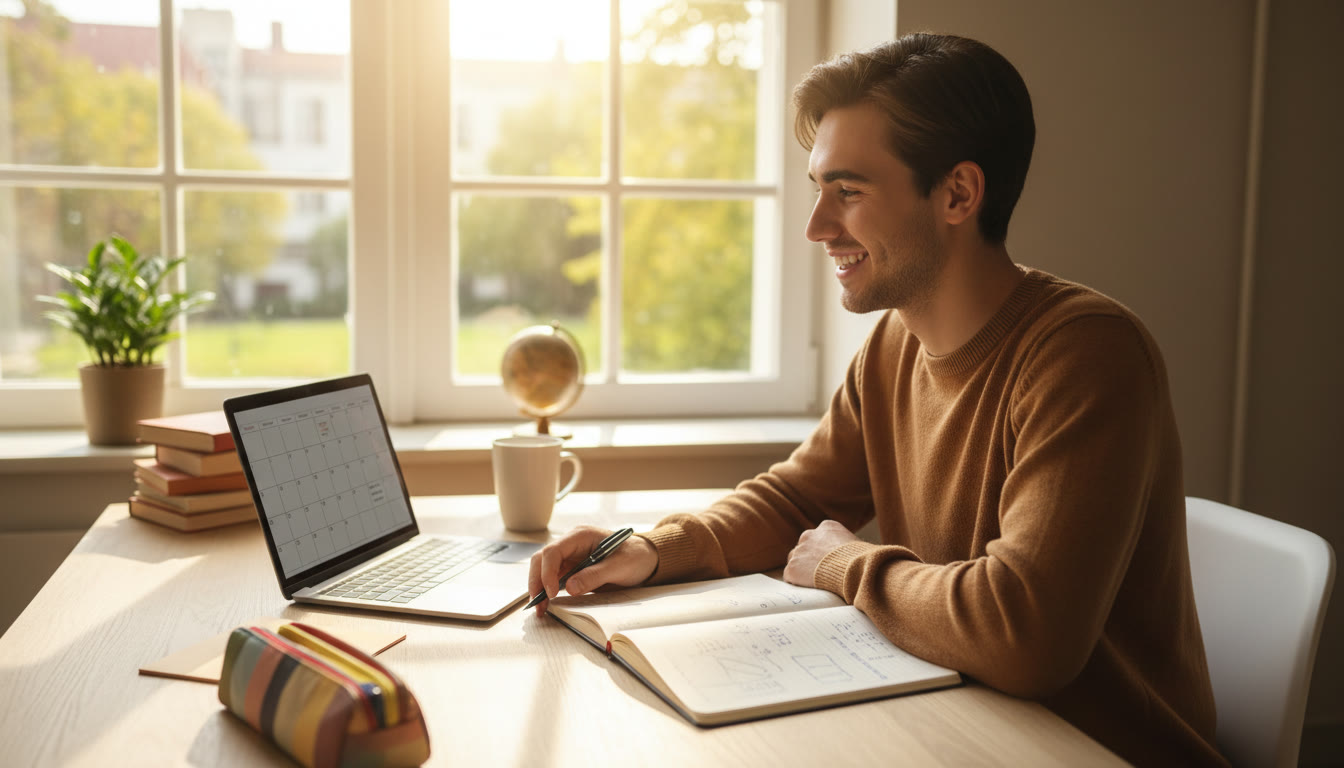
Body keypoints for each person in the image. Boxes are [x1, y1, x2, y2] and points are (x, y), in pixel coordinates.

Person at [528, 33, 1226, 767]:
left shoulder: (1085, 354)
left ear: (958, 194)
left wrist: (845, 565)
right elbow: (796, 502)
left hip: (1090, 750)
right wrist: (651, 548)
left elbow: (1027, 637)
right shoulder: (896, 345)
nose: (816, 227)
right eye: (818, 189)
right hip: (965, 723)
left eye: (848, 192)